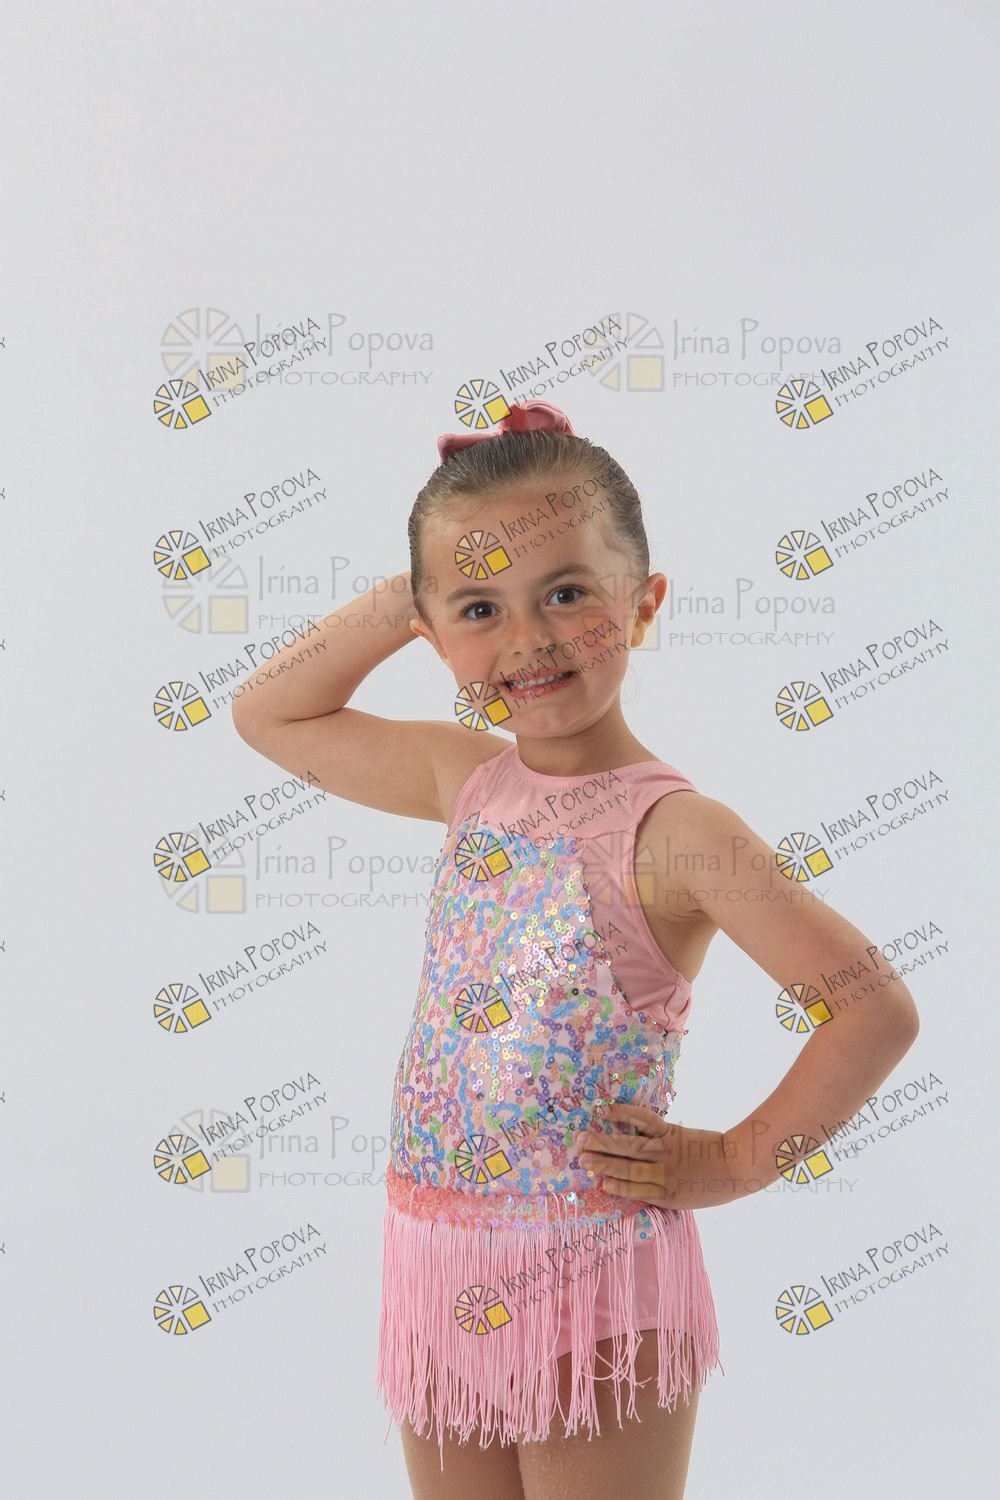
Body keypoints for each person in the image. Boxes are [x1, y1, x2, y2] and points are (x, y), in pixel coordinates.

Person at [232, 399, 921, 1500]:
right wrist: (416, 597)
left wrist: (732, 1162)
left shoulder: (678, 832)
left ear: (642, 604)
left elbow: (871, 1007)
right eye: (480, 608)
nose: (529, 640)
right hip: (436, 1254)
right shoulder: (465, 780)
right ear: (433, 632)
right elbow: (269, 714)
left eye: (565, 593)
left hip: (591, 1274)